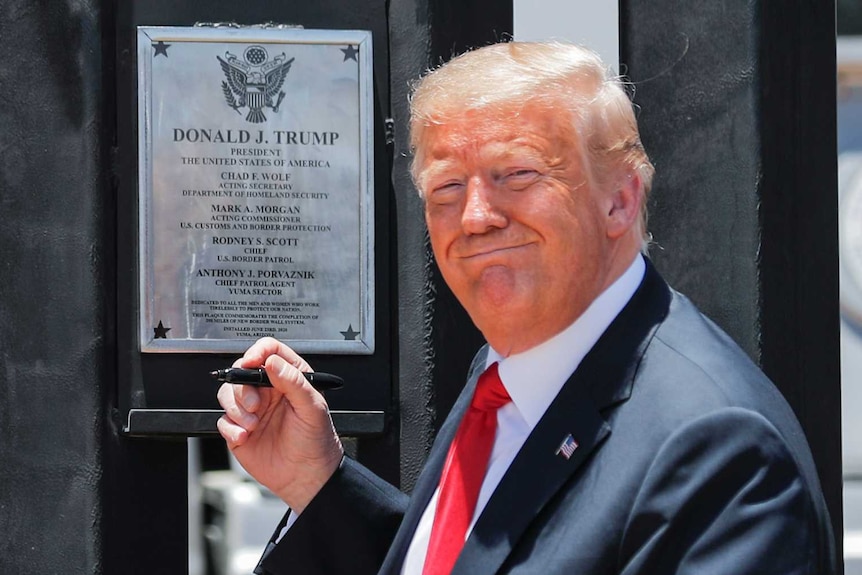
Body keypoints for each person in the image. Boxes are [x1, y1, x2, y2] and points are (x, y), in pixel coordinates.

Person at [217, 42, 836, 575]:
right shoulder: (508, 372)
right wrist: (318, 481)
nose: (478, 217)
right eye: (447, 188)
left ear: (619, 201)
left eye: (517, 173)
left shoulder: (718, 447)